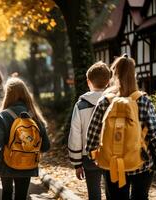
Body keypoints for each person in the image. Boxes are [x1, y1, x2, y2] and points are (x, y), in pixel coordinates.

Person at [86, 54, 156, 200]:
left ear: (114, 74)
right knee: (140, 196)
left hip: (112, 164)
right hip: (142, 162)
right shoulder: (143, 100)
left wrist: (96, 157)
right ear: (134, 75)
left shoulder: (105, 101)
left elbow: (91, 137)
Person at [0, 77, 50, 200]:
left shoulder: (3, 115)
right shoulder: (34, 116)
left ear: (8, 95)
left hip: (6, 163)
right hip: (27, 164)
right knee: (21, 196)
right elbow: (46, 146)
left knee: (7, 193)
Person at [68, 61, 110, 200]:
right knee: (114, 192)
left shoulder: (81, 105)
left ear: (88, 82)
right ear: (108, 82)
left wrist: (76, 163)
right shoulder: (114, 102)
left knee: (94, 192)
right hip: (112, 153)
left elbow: (75, 134)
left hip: (89, 156)